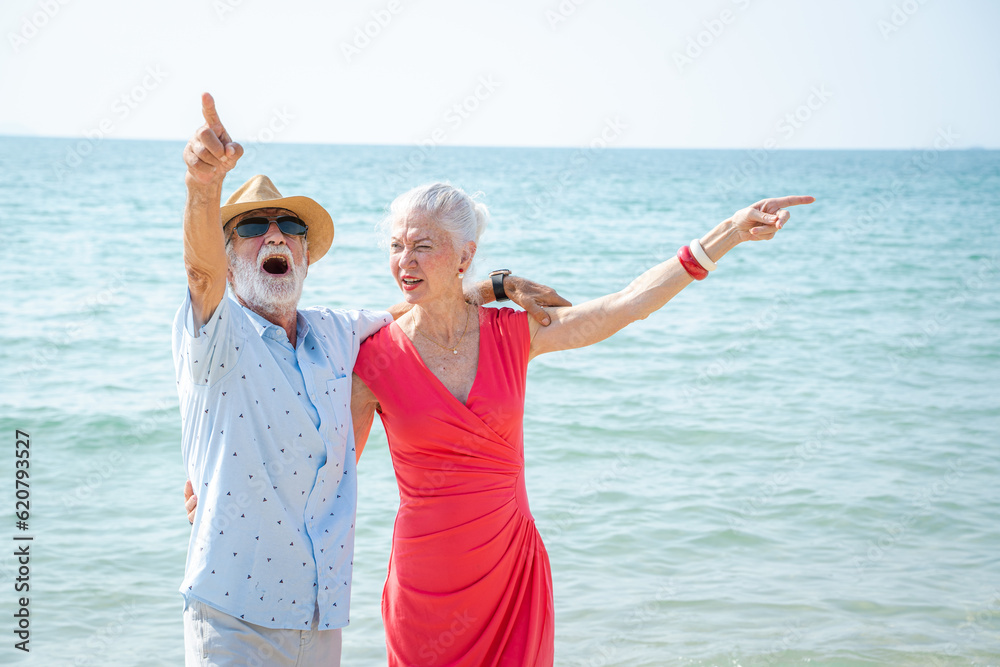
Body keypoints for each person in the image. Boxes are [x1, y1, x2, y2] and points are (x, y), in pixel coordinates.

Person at [174, 93, 566, 667]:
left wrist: (497, 285)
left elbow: (426, 301)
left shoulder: (338, 334)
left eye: (290, 227)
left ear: (307, 255)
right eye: (254, 227)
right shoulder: (216, 334)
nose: (276, 235)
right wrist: (202, 186)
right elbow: (198, 270)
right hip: (234, 616)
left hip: (317, 616)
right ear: (232, 260)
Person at [351, 183, 815, 665]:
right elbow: (330, 479)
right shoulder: (373, 359)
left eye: (423, 246)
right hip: (425, 585)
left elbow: (627, 304)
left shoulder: (515, 332)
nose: (405, 260)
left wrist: (729, 233)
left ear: (465, 255)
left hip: (511, 569)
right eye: (396, 246)